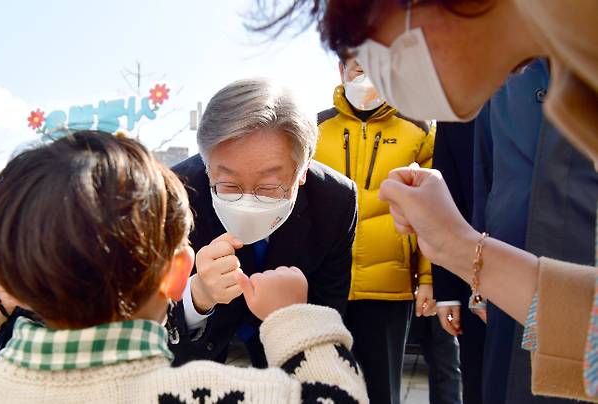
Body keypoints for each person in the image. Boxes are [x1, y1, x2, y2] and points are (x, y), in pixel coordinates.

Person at [249, 0, 598, 400]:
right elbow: (591, 335)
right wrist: (459, 248)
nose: (378, 76)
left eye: (371, 44)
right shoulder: (557, 82)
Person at [0, 131, 368, 404]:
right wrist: (291, 319)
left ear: (10, 280)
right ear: (179, 271)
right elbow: (337, 395)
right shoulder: (232, 394)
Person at [168, 78, 358, 368]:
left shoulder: (335, 200)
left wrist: (295, 317)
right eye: (229, 185)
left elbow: (329, 314)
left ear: (302, 170)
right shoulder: (176, 192)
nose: (247, 202)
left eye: (268, 187)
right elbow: (153, 328)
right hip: (202, 350)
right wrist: (197, 298)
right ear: (208, 167)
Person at [472, 59, 598, 404]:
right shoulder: (503, 68)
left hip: (579, 278)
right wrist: (478, 278)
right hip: (504, 272)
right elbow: (485, 174)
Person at [314, 57, 435, 403]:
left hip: (388, 289)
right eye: (356, 66)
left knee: (383, 393)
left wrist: (426, 279)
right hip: (326, 286)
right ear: (341, 71)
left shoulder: (418, 131)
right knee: (325, 389)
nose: (364, 74)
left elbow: (429, 213)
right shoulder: (315, 128)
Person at [429, 120, 484, 404]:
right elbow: (446, 203)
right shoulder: (456, 117)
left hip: (551, 269)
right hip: (470, 278)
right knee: (479, 383)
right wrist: (447, 292)